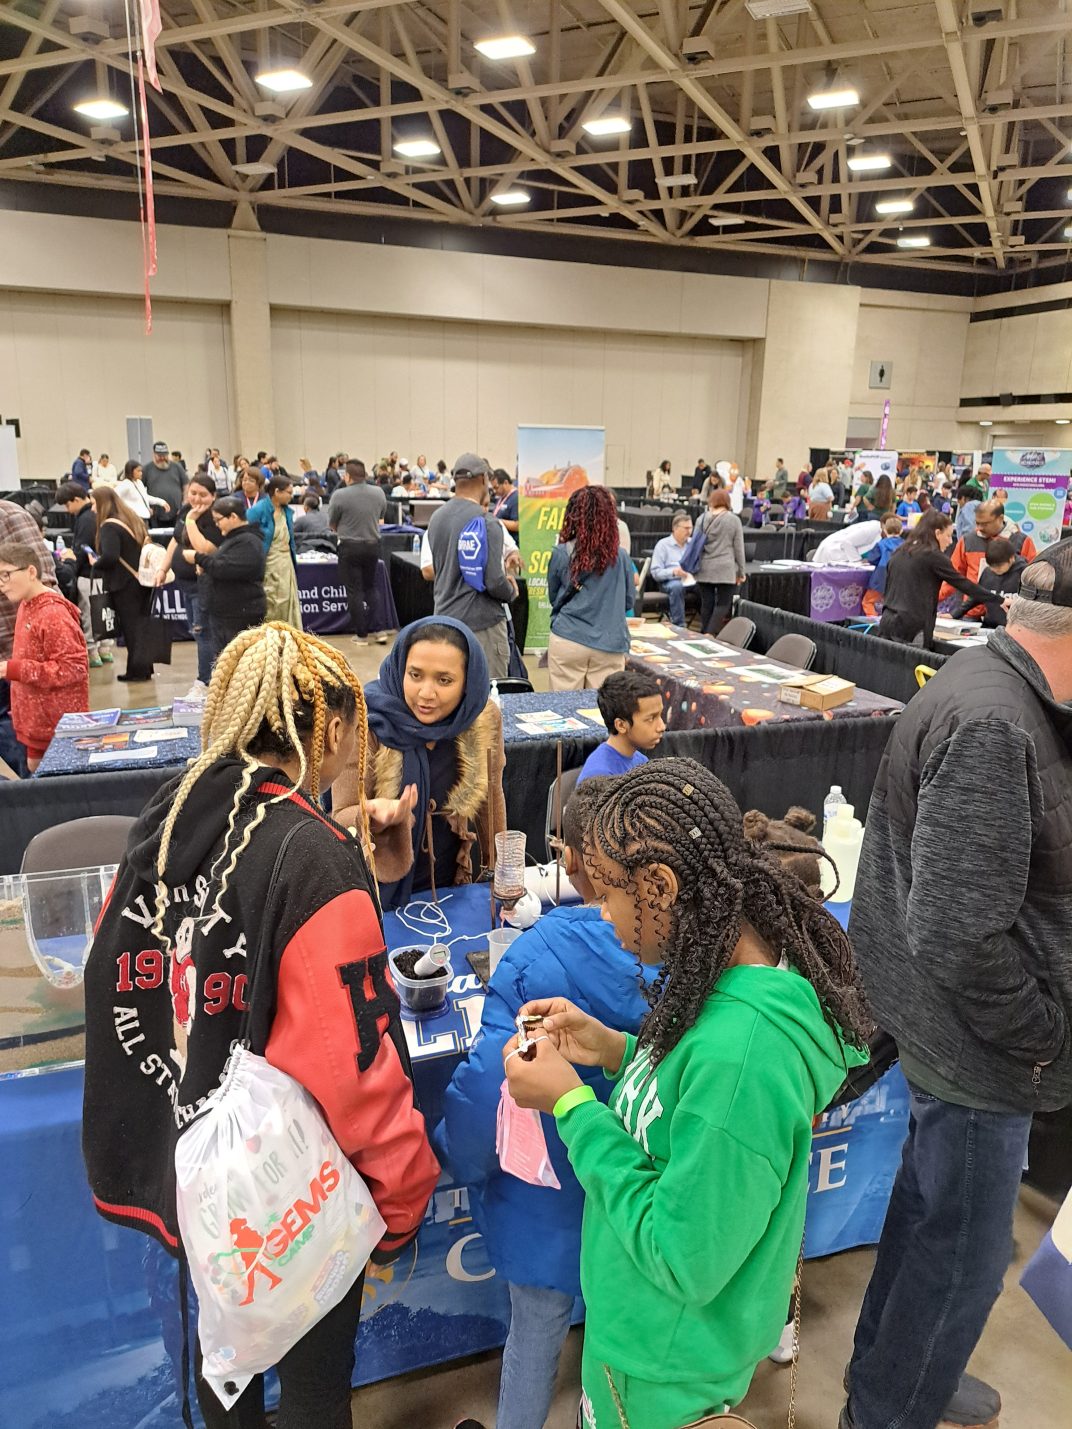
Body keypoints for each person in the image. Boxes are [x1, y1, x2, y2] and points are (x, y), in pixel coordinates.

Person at [81, 623, 440, 1429]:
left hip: (185, 1178)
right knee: (315, 1395)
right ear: (333, 726)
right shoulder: (309, 856)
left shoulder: (169, 818)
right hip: (287, 1196)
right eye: (357, 732)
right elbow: (354, 1064)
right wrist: (403, 1195)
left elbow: (123, 983)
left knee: (223, 1373)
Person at [502, 757, 869, 1429]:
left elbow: (684, 1255)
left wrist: (572, 1106)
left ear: (660, 885)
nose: (600, 911)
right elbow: (681, 1113)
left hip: (661, 1360)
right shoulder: (721, 971)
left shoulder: (743, 1058)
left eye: (607, 892)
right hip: (640, 1331)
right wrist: (615, 1049)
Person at [841, 542, 1072, 1429]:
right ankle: (892, 1406)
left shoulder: (1003, 690)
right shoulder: (994, 723)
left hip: (960, 1035)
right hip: (980, 1048)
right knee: (961, 1259)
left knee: (929, 1218)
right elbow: (955, 931)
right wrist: (1043, 1032)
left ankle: (891, 1377)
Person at [435, 778, 658, 1429]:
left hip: (546, 1210)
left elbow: (484, 1092)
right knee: (626, 1358)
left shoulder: (538, 952)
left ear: (577, 862)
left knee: (534, 1336)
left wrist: (461, 1161)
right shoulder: (695, 962)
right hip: (640, 1208)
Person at [331, 616, 506, 911]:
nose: (426, 693)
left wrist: (501, 873)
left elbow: (491, 796)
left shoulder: (480, 719)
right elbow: (339, 815)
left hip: (451, 889)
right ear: (400, 668)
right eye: (415, 675)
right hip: (378, 892)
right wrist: (371, 814)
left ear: (468, 683)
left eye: (444, 680)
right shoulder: (365, 721)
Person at [426, 454, 516, 680]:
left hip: (444, 621)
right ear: (483, 479)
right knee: (489, 697)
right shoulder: (487, 522)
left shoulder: (437, 518)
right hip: (482, 627)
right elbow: (494, 581)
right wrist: (511, 591)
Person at [0, 541, 88, 770]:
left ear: (31, 571)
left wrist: (15, 669)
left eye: (6, 575)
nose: (2, 584)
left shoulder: (53, 614)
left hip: (58, 728)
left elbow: (73, 669)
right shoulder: (26, 605)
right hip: (37, 725)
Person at [547, 486, 634, 691]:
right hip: (610, 643)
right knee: (604, 711)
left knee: (563, 710)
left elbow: (554, 597)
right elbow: (628, 601)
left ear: (574, 515)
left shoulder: (562, 553)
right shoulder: (621, 557)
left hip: (568, 638)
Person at [878, 509, 996, 648]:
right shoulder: (933, 556)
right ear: (937, 533)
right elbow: (963, 584)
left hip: (887, 622)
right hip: (912, 629)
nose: (950, 541)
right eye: (948, 535)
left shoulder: (900, 552)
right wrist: (998, 600)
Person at [156, 473, 220, 699]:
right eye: (193, 493)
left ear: (213, 496)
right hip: (184, 584)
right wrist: (163, 569)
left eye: (203, 495)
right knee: (197, 632)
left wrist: (193, 520)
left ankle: (205, 682)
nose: (197, 498)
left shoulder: (213, 517)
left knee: (204, 634)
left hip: (203, 585)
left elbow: (204, 548)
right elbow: (175, 540)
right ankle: (207, 678)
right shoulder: (185, 511)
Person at [91, 486, 156, 682]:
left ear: (102, 503)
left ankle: (136, 671)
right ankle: (144, 668)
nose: (93, 508)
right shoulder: (130, 519)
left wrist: (96, 563)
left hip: (124, 584)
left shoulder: (109, 526)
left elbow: (111, 556)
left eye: (94, 503)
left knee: (131, 628)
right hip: (140, 581)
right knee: (140, 627)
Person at [939, 498, 1038, 614]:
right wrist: (936, 598)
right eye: (977, 523)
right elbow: (953, 575)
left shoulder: (1021, 541)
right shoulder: (967, 541)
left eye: (985, 524)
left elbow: (1032, 580)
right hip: (971, 611)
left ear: (1000, 518)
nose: (980, 528)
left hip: (1007, 614)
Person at [197, 497, 267, 658]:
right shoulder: (234, 539)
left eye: (218, 520)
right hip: (226, 612)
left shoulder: (248, 542)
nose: (216, 524)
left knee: (239, 663)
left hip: (239, 613)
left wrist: (199, 558)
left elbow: (225, 568)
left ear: (233, 517)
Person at [328, 460, 387, 646]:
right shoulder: (378, 492)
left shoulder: (339, 495)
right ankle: (379, 630)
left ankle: (361, 635)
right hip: (372, 545)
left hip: (349, 546)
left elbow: (332, 523)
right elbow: (381, 516)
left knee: (354, 591)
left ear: (347, 476)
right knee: (371, 587)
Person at [577, 669, 665, 783]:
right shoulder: (599, 776)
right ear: (621, 725)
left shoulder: (641, 761)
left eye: (660, 715)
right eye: (650, 718)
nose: (661, 726)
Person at [55, 481, 106, 667]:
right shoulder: (97, 515)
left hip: (87, 575)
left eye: (68, 505)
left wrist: (69, 563)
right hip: (101, 574)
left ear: (76, 499)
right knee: (101, 612)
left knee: (89, 614)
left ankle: (92, 652)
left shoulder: (85, 519)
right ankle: (104, 649)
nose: (68, 510)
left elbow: (81, 551)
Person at [248, 474, 302, 628]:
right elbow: (247, 535)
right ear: (277, 492)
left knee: (287, 602)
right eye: (289, 493)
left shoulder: (287, 512)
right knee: (270, 603)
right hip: (268, 564)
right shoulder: (258, 510)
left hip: (286, 564)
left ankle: (288, 636)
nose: (291, 497)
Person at [692, 489, 746, 637]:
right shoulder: (734, 520)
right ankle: (709, 633)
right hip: (725, 568)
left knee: (706, 602)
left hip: (704, 567)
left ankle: (704, 632)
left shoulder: (701, 519)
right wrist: (741, 572)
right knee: (723, 603)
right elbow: (739, 549)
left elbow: (695, 545)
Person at [952, 536, 1025, 628]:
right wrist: (954, 614)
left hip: (1014, 628)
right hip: (990, 625)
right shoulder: (987, 572)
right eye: (991, 567)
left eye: (998, 567)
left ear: (1011, 559)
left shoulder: (1024, 574)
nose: (994, 570)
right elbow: (977, 596)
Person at [649, 510, 693, 627]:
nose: (689, 532)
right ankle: (679, 625)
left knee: (707, 588)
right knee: (676, 587)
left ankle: (707, 627)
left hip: (691, 579)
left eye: (690, 528)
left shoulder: (692, 544)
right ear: (675, 528)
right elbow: (656, 572)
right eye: (686, 528)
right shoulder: (663, 545)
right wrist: (674, 572)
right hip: (669, 580)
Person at [860, 515, 904, 617]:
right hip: (899, 578)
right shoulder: (905, 545)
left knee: (868, 602)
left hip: (881, 577)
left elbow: (872, 559)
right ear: (901, 531)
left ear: (884, 530)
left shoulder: (881, 544)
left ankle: (874, 625)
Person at [810, 518, 882, 567]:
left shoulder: (883, 535)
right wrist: (858, 562)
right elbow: (847, 542)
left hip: (842, 557)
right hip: (832, 552)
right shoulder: (873, 528)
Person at [144, 441, 185, 518]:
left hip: (177, 513)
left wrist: (184, 506)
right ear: (154, 455)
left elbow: (186, 486)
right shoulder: (146, 469)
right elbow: (140, 490)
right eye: (159, 456)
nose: (162, 458)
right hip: (155, 514)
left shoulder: (177, 467)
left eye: (164, 455)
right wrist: (146, 507)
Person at [490, 469, 519, 535]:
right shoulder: (502, 497)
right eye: (493, 488)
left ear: (505, 482)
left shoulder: (515, 498)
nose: (494, 491)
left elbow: (517, 525)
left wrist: (498, 522)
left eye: (496, 487)